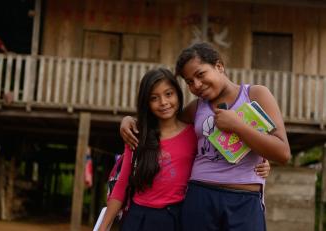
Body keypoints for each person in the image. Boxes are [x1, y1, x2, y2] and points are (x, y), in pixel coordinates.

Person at [120, 42, 290, 231]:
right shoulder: (196, 108)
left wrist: (238, 126)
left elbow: (283, 153)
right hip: (200, 198)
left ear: (219, 66)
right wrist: (129, 120)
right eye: (189, 81)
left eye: (200, 74)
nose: (197, 85)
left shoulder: (255, 94)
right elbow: (164, 122)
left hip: (245, 199)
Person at [99, 67, 271, 231]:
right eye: (154, 98)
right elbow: (121, 185)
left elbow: (221, 153)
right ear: (146, 102)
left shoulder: (194, 133)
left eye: (169, 94)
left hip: (179, 218)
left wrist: (262, 161)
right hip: (140, 219)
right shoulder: (138, 135)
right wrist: (103, 226)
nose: (163, 102)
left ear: (178, 95)